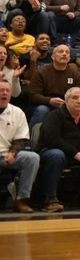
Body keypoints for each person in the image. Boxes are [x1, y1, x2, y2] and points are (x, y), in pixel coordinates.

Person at [0, 78, 38, 213]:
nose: (4, 93)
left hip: (7, 155)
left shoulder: (17, 112)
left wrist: (13, 152)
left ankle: (21, 199)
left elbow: (22, 138)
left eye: (7, 91)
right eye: (1, 90)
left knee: (32, 158)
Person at [27, 43, 80, 126]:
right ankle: (33, 137)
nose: (64, 54)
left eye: (67, 52)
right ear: (53, 57)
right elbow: (33, 95)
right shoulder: (41, 72)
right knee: (42, 110)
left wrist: (69, 103)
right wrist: (49, 100)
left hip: (67, 104)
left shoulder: (75, 74)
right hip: (45, 104)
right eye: (61, 52)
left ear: (69, 58)